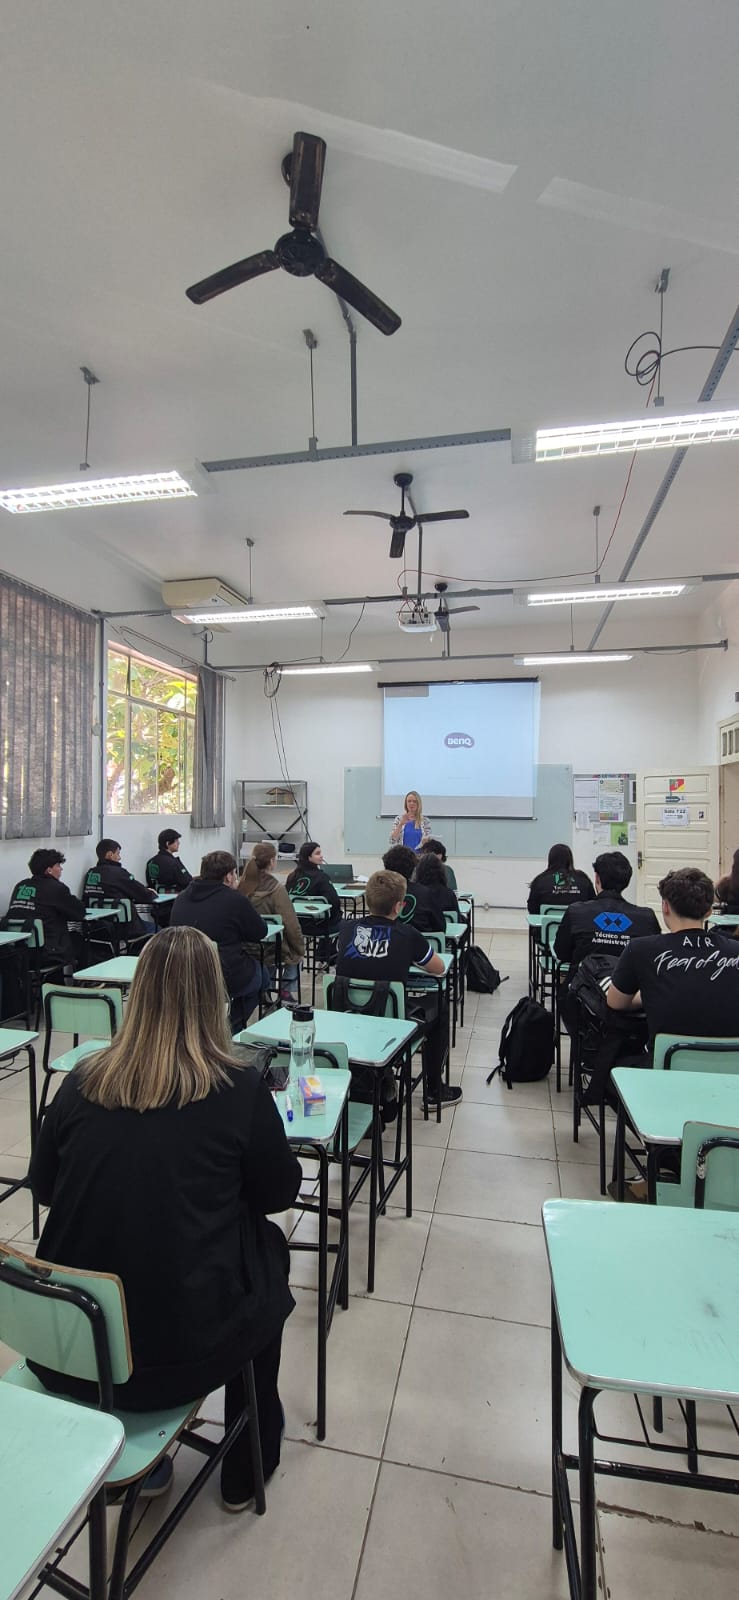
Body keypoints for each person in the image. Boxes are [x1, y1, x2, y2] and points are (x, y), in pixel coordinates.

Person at [28, 926, 302, 1511]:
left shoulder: (80, 1081)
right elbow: (279, 1193)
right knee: (270, 1252)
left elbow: (46, 1188)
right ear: (215, 997)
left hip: (67, 1345)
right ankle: (248, 1462)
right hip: (179, 1358)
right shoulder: (239, 1088)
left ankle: (144, 1468)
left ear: (137, 994)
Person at [335, 869, 461, 1108]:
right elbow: (438, 968)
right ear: (398, 906)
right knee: (440, 1006)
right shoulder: (407, 935)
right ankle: (434, 1090)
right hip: (391, 1025)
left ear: (367, 900)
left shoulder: (346, 930)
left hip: (348, 1020)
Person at [607, 867, 739, 1046]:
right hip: (730, 1062)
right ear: (709, 911)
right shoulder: (735, 950)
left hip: (666, 1060)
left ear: (665, 907)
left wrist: (651, 994)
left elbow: (616, 1002)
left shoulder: (640, 949)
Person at [170, 851, 269, 1031]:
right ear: (229, 876)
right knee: (262, 976)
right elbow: (260, 932)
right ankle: (228, 1029)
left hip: (184, 971)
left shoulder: (181, 898)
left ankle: (203, 1027)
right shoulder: (235, 900)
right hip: (222, 973)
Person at [553, 851, 660, 985]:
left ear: (597, 878)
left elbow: (561, 953)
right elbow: (653, 960)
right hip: (630, 994)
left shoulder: (576, 912)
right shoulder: (646, 918)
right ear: (627, 880)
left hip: (581, 991)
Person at [238, 842, 305, 1003]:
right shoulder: (276, 889)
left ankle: (265, 990)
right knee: (296, 953)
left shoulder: (240, 886)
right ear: (272, 861)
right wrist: (300, 947)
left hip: (244, 946)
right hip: (271, 947)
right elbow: (290, 923)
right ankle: (286, 991)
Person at [6, 848, 86, 967]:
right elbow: (79, 913)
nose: (61, 869)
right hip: (47, 952)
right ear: (49, 870)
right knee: (80, 939)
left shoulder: (20, 886)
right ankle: (82, 978)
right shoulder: (56, 888)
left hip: (17, 952)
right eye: (58, 865)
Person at [85, 838, 157, 941]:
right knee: (159, 930)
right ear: (110, 854)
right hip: (126, 928)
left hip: (99, 929)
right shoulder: (118, 873)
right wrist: (152, 893)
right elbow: (142, 894)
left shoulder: (91, 873)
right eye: (118, 854)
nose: (119, 858)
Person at [285, 841, 342, 964]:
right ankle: (325, 956)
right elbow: (334, 902)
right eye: (317, 853)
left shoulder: (292, 876)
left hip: (297, 926)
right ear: (309, 857)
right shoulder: (322, 878)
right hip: (319, 927)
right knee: (344, 923)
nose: (321, 856)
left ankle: (322, 954)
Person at [382, 845, 445, 934]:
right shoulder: (426, 894)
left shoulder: (381, 894)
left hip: (389, 941)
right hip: (422, 941)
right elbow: (441, 927)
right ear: (413, 868)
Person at [527, 844, 595, 915]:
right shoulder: (582, 878)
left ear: (550, 859)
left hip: (549, 922)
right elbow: (593, 904)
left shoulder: (540, 880)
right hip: (578, 922)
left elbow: (532, 909)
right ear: (570, 859)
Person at [413, 849, 459, 919]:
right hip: (445, 925)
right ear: (441, 872)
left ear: (419, 872)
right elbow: (457, 918)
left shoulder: (416, 894)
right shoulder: (449, 894)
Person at [146, 829, 193, 893]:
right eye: (176, 841)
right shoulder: (173, 863)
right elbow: (187, 881)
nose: (179, 843)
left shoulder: (151, 862)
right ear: (168, 843)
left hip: (157, 896)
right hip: (176, 896)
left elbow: (150, 884)